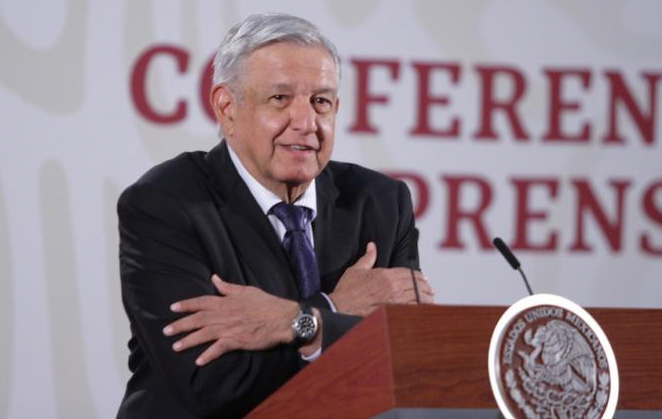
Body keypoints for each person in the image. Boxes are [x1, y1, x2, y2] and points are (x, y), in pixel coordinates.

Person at [116, 12, 434, 418]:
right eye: (280, 99)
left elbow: (408, 362)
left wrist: (290, 321)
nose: (306, 123)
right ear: (226, 107)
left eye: (320, 102)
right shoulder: (165, 204)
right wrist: (333, 310)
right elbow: (213, 383)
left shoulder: (382, 203)